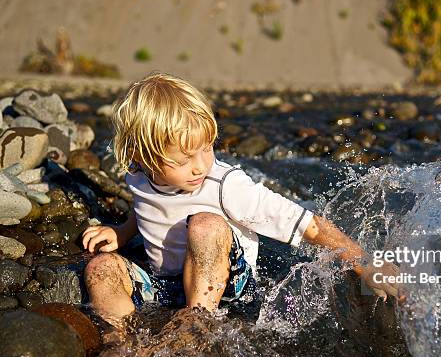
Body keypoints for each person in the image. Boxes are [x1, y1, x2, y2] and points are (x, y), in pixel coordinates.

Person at [81, 72, 399, 326]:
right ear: (144, 157)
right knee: (100, 268)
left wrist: (365, 264)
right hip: (165, 283)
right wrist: (123, 231)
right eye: (183, 159)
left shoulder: (225, 185)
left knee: (205, 225)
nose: (200, 166)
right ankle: (121, 343)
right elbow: (149, 206)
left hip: (228, 283)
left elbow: (307, 224)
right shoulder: (138, 175)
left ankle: (195, 327)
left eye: (207, 148)